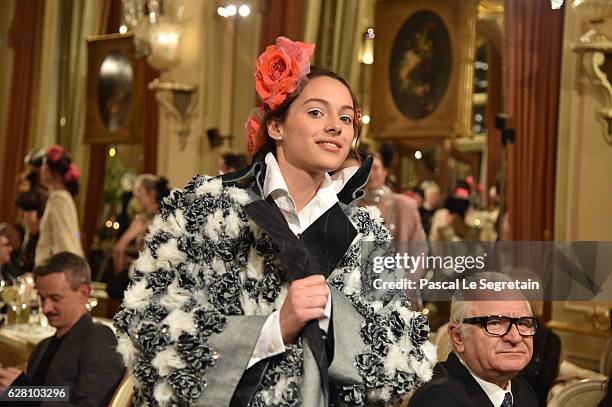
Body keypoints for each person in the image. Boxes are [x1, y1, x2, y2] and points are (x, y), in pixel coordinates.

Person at [114, 36, 435, 407]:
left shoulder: (366, 231)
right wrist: (273, 328)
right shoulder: (207, 211)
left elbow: (405, 356)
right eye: (316, 112)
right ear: (276, 127)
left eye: (346, 118)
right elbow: (149, 330)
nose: (336, 126)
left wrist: (333, 315)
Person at [0, 252, 125, 406]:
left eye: (55, 298)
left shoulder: (98, 339)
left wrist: (24, 391)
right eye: (42, 298)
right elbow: (58, 393)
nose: (46, 308)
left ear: (84, 294)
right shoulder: (43, 347)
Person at [409, 275, 539, 407]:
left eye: (523, 323)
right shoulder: (436, 399)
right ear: (458, 337)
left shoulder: (522, 390)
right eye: (495, 323)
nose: (515, 337)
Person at [358, 149, 425, 241]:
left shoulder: (405, 205)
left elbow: (419, 248)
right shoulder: (353, 205)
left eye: (375, 168)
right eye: (365, 169)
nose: (370, 174)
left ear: (385, 172)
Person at [34, 145, 84, 266]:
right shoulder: (62, 196)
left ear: (54, 170)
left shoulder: (59, 198)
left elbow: (64, 240)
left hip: (55, 272)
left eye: (44, 164)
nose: (41, 169)